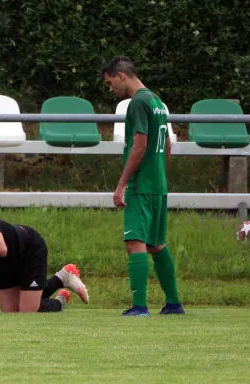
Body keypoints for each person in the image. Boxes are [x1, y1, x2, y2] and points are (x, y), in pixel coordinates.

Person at [102, 56, 184, 316]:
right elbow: (168, 144)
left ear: (121, 76)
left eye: (110, 82)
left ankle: (139, 308)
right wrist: (161, 176)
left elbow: (139, 144)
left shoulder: (137, 103)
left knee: (135, 243)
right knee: (156, 244)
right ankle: (173, 304)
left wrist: (121, 184)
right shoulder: (157, 101)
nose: (110, 88)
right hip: (158, 183)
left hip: (141, 184)